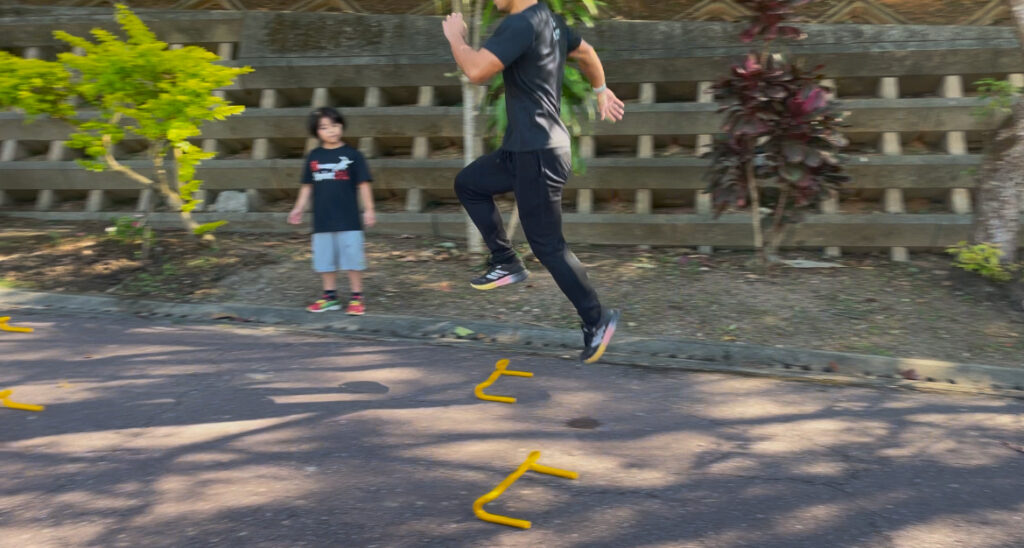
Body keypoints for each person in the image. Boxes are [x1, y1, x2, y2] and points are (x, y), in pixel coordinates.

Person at [442, 0, 626, 364]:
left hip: (536, 154)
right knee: (470, 183)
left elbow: (477, 71)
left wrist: (456, 39)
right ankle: (506, 261)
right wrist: (600, 88)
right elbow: (586, 52)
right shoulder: (552, 22)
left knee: (548, 247)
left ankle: (597, 319)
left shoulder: (520, 24)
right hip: (524, 149)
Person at [288, 106, 376, 315]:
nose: (331, 131)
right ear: (316, 132)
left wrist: (369, 209)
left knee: (353, 258)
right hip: (322, 220)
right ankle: (330, 296)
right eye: (324, 127)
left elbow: (363, 184)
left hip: (349, 219)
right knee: (324, 261)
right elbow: (307, 186)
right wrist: (298, 208)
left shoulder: (353, 155)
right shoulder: (314, 156)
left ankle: (357, 297)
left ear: (342, 126)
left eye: (335, 125)